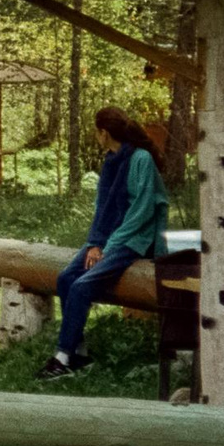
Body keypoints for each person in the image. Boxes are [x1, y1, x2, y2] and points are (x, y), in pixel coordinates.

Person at [37, 107, 170, 380]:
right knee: (66, 279)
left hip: (136, 239)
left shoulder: (141, 159)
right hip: (108, 239)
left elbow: (142, 212)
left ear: (104, 133)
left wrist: (108, 247)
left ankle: (62, 357)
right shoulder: (110, 160)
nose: (94, 136)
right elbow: (102, 209)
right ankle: (79, 355)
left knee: (82, 286)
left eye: (95, 131)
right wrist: (95, 243)